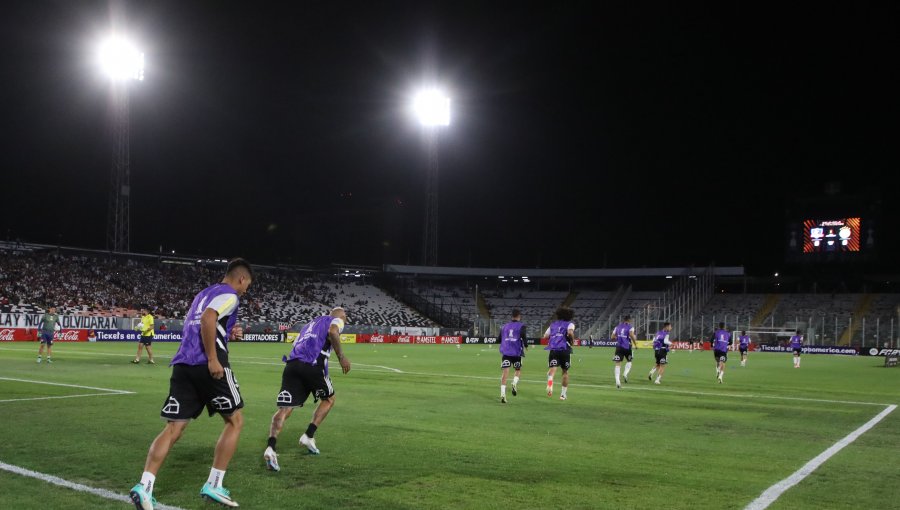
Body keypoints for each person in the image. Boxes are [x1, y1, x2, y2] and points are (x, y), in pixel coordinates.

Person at [129, 258, 253, 509]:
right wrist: (212, 359)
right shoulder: (230, 294)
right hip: (207, 366)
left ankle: (145, 486)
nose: (246, 289)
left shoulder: (203, 294)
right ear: (241, 278)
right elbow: (209, 319)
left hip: (183, 364)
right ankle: (215, 483)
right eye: (248, 284)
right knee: (235, 420)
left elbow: (199, 323)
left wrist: (224, 335)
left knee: (173, 429)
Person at [263, 307, 352, 472]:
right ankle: (308, 435)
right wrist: (341, 357)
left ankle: (271, 447)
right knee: (329, 399)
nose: (345, 319)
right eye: (345, 317)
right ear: (342, 316)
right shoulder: (336, 320)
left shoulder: (310, 324)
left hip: (292, 365)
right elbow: (333, 332)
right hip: (312, 365)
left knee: (285, 408)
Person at [542, 306, 575, 401]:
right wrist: (572, 340)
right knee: (565, 372)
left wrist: (554, 338)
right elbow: (570, 333)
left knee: (552, 369)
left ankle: (550, 383)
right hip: (565, 349)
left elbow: (545, 336)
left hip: (554, 349)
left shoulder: (553, 324)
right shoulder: (570, 324)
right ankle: (563, 395)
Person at [498, 309, 527, 403]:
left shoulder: (504, 326)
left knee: (505, 373)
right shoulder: (522, 326)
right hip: (516, 352)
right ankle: (514, 383)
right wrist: (526, 345)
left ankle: (503, 394)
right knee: (518, 370)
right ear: (519, 316)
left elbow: (499, 339)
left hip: (506, 352)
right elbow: (523, 336)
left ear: (512, 316)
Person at [611, 315, 638, 388]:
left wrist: (619, 337)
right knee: (629, 361)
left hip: (619, 347)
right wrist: (635, 344)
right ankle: (625, 374)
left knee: (617, 363)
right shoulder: (630, 327)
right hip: (627, 347)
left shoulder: (617, 327)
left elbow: (612, 337)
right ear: (629, 320)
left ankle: (617, 381)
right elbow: (632, 335)